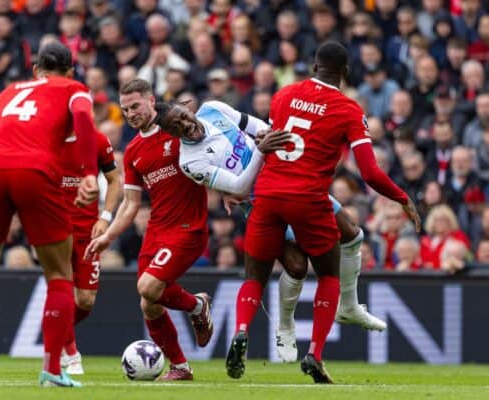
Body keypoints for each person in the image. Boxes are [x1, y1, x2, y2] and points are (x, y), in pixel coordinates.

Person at [226, 42, 420, 384]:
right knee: (329, 276)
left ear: (315, 66)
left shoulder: (283, 95)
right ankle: (315, 353)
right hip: (309, 199)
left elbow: (269, 143)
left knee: (254, 276)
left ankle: (241, 329)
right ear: (344, 72)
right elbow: (371, 173)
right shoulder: (348, 110)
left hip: (267, 193)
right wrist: (403, 198)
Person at [155, 99, 387, 365]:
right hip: (260, 205)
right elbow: (240, 188)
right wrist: (259, 153)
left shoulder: (213, 109)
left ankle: (349, 305)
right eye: (177, 126)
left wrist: (267, 140)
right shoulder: (189, 161)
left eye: (184, 116)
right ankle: (285, 327)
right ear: (171, 135)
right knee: (297, 266)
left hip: (290, 182)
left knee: (352, 233)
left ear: (188, 108)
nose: (186, 125)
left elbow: (259, 127)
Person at [0, 42, 99, 388]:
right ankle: (52, 369)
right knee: (59, 274)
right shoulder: (74, 89)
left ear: (36, 70)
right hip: (36, 172)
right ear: (70, 71)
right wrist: (88, 172)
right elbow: (84, 117)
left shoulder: (9, 92)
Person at [87, 79, 212, 381]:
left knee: (148, 287)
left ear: (151, 101)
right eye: (125, 108)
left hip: (188, 227)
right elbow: (130, 204)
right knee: (149, 303)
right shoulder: (133, 151)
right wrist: (108, 236)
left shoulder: (177, 130)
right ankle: (180, 367)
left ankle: (197, 306)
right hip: (157, 230)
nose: (130, 113)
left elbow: (212, 154)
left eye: (135, 106)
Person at [59, 130, 122, 375]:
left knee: (85, 300)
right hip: (55, 229)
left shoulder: (96, 139)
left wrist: (105, 217)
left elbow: (114, 180)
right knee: (62, 290)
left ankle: (56, 329)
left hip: (88, 231)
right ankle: (72, 355)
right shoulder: (46, 137)